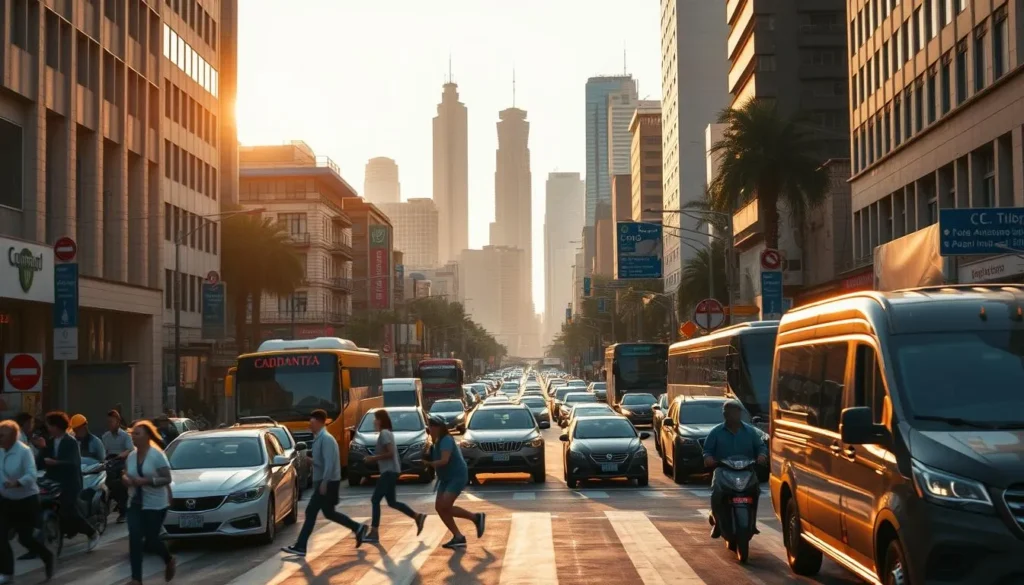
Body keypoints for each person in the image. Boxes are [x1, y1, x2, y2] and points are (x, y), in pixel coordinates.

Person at [281, 409, 367, 556]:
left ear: (320, 422)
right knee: (329, 513)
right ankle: (357, 528)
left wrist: (324, 483)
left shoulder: (326, 439)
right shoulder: (319, 439)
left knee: (310, 512)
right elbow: (322, 462)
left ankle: (301, 546)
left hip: (327, 482)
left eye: (312, 422)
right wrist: (311, 461)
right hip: (324, 482)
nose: (310, 425)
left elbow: (329, 464)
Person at [32, 411, 99, 553]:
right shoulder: (50, 442)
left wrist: (55, 462)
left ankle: (91, 532)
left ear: (57, 426)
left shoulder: (70, 442)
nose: (48, 429)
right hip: (53, 483)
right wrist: (42, 448)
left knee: (70, 512)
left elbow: (73, 463)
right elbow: (40, 463)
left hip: (70, 484)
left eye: (50, 426)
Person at [702, 400, 768, 538]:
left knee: (755, 491)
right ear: (724, 414)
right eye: (729, 412)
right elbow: (707, 450)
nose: (732, 415)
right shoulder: (716, 432)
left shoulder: (750, 431)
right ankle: (717, 522)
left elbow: (761, 446)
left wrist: (762, 455)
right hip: (723, 470)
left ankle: (752, 523)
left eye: (735, 412)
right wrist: (708, 458)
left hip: (746, 470)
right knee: (716, 493)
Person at [0, 420, 55, 583]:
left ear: (12, 436)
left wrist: (17, 483)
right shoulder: (0, 451)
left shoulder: (24, 451)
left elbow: (31, 475)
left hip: (26, 500)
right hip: (6, 500)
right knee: (0, 537)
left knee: (25, 539)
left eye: (2, 435)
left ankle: (47, 556)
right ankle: (7, 572)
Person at [123, 420, 175, 585]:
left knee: (152, 540)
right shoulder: (131, 456)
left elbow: (167, 478)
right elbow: (126, 473)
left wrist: (146, 481)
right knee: (135, 537)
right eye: (132, 433)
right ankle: (136, 579)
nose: (133, 436)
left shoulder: (157, 455)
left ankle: (168, 560)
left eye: (137, 434)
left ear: (147, 436)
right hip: (135, 503)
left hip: (155, 503)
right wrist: (126, 479)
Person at [362, 410, 426, 543]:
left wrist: (373, 459)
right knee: (392, 502)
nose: (374, 422)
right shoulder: (386, 433)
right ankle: (417, 516)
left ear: (380, 420)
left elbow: (390, 453)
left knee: (375, 500)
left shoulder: (385, 433)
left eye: (375, 419)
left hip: (389, 472)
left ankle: (374, 532)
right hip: (391, 471)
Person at [425, 415, 484, 549]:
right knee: (439, 507)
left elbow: (444, 460)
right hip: (445, 478)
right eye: (429, 426)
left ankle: (476, 518)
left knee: (445, 505)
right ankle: (458, 536)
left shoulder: (446, 440)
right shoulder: (436, 441)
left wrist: (429, 463)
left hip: (457, 476)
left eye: (432, 426)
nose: (430, 428)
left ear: (439, 427)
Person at [102, 410, 134, 523]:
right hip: (109, 463)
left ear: (118, 422)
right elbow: (103, 452)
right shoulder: (105, 436)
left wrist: (122, 455)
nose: (109, 424)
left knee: (120, 484)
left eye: (112, 422)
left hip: (122, 463)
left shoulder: (125, 436)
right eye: (108, 422)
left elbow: (130, 450)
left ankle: (123, 511)